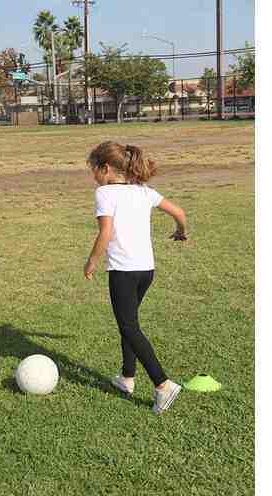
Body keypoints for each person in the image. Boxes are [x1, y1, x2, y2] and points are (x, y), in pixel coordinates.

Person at [83, 141, 188, 415]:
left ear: (105, 168)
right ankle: (127, 378)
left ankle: (163, 385)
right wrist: (180, 231)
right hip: (146, 271)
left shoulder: (105, 192)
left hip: (124, 272)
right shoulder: (144, 192)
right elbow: (179, 212)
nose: (93, 176)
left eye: (93, 169)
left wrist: (92, 261)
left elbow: (105, 233)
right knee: (128, 323)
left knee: (129, 327)